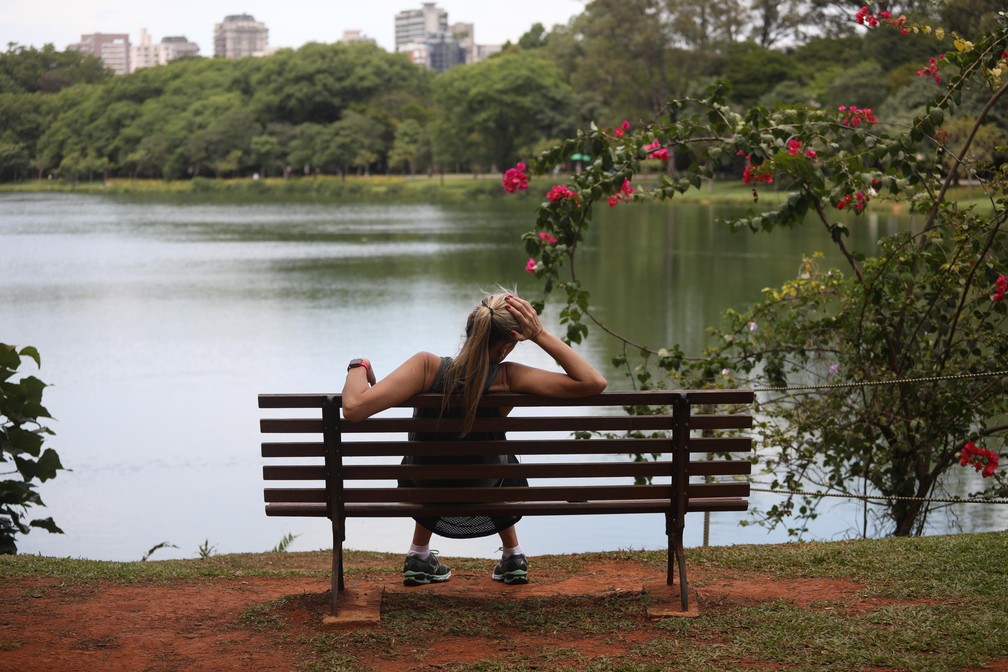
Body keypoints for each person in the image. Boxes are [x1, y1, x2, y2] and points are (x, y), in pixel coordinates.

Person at [341, 290, 607, 586]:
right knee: (503, 461)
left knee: (426, 457)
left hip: (426, 490)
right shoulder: (508, 378)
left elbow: (352, 409)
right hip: (486, 491)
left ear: (470, 323)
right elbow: (594, 382)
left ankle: (419, 553)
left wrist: (359, 365)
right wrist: (539, 334)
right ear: (506, 347)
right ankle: (512, 554)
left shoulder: (426, 368)